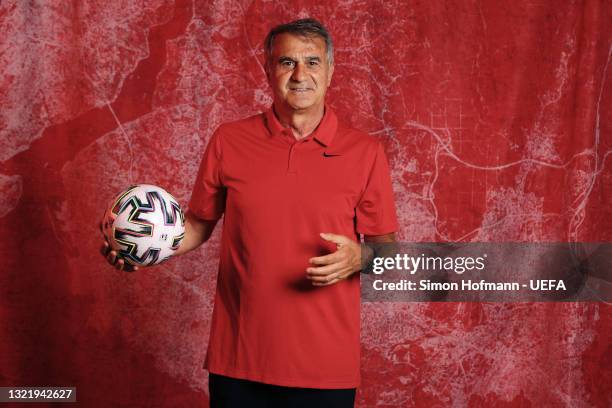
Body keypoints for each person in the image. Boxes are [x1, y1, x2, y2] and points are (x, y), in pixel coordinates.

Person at [102, 18, 398, 408]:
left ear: (330, 70)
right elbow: (196, 225)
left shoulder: (365, 153)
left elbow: (390, 253)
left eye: (312, 62)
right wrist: (144, 247)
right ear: (268, 70)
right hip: (237, 362)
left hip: (325, 367)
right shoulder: (230, 140)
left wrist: (360, 257)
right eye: (286, 62)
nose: (300, 75)